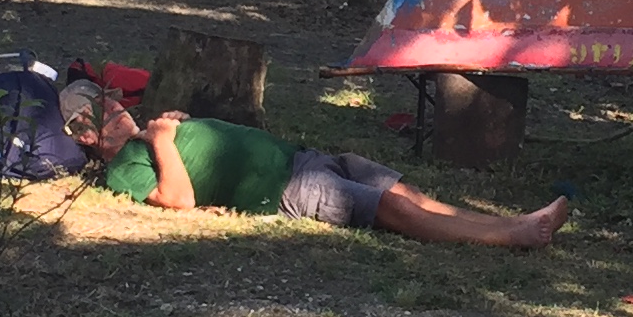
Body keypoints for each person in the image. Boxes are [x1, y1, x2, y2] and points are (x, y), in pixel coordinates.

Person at [63, 88, 569, 250]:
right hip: (287, 187)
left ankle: (513, 223)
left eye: (112, 98)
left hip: (302, 157)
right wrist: (165, 141)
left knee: (409, 194)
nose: (118, 106)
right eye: (104, 108)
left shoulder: (152, 130)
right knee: (390, 208)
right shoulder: (123, 169)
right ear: (87, 136)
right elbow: (178, 199)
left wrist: (175, 127)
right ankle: (513, 237)